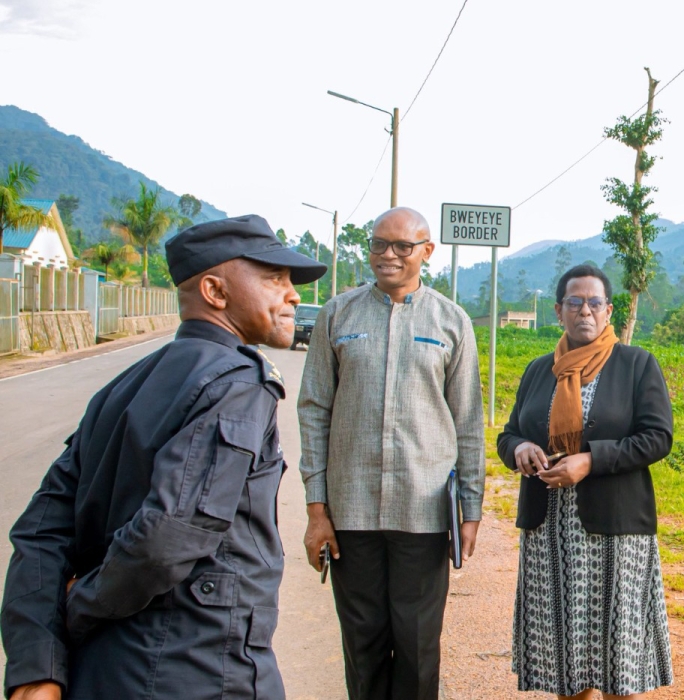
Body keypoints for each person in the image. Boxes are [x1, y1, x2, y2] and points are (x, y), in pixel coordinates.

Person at [1, 215, 326, 700]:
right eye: (274, 279)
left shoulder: (123, 387)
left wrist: (37, 664)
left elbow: (41, 530)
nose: (293, 295)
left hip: (102, 672)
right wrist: (80, 606)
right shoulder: (239, 384)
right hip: (196, 672)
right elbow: (170, 534)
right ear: (215, 292)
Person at [297, 207, 485, 700]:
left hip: (423, 514)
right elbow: (314, 410)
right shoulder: (338, 314)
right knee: (362, 643)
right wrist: (317, 512)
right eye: (379, 244)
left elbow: (467, 423)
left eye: (403, 246)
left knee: (419, 643)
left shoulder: (451, 322)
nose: (388, 255)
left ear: (427, 251)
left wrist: (472, 511)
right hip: (351, 511)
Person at [497, 264, 674, 699]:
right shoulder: (541, 370)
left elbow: (657, 437)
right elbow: (509, 433)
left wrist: (590, 461)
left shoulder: (635, 365)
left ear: (609, 311)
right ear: (559, 310)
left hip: (615, 531)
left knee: (617, 659)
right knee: (566, 659)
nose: (585, 311)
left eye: (595, 302)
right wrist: (519, 449)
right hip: (550, 533)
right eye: (575, 302)